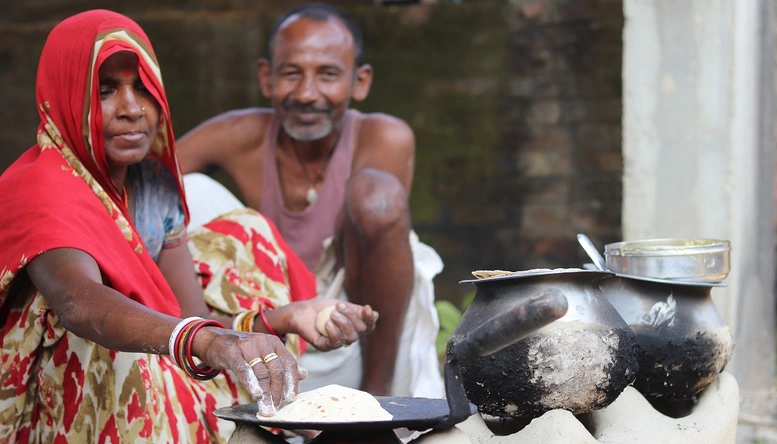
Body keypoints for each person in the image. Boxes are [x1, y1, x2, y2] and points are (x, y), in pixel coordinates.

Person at [0, 10, 378, 442]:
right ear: (65, 97)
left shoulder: (152, 182)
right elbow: (78, 302)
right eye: (105, 91)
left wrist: (285, 317)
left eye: (144, 88)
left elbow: (188, 317)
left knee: (247, 236)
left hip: (145, 364)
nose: (132, 109)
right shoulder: (40, 185)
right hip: (45, 407)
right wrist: (205, 341)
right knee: (118, 342)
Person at [178, 3, 444, 398]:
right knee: (187, 188)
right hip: (264, 328)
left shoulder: (384, 136)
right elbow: (141, 187)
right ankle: (196, 344)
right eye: (291, 73)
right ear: (267, 78)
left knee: (378, 197)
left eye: (328, 75)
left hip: (356, 335)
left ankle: (376, 401)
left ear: (360, 82)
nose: (306, 94)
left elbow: (378, 230)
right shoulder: (238, 133)